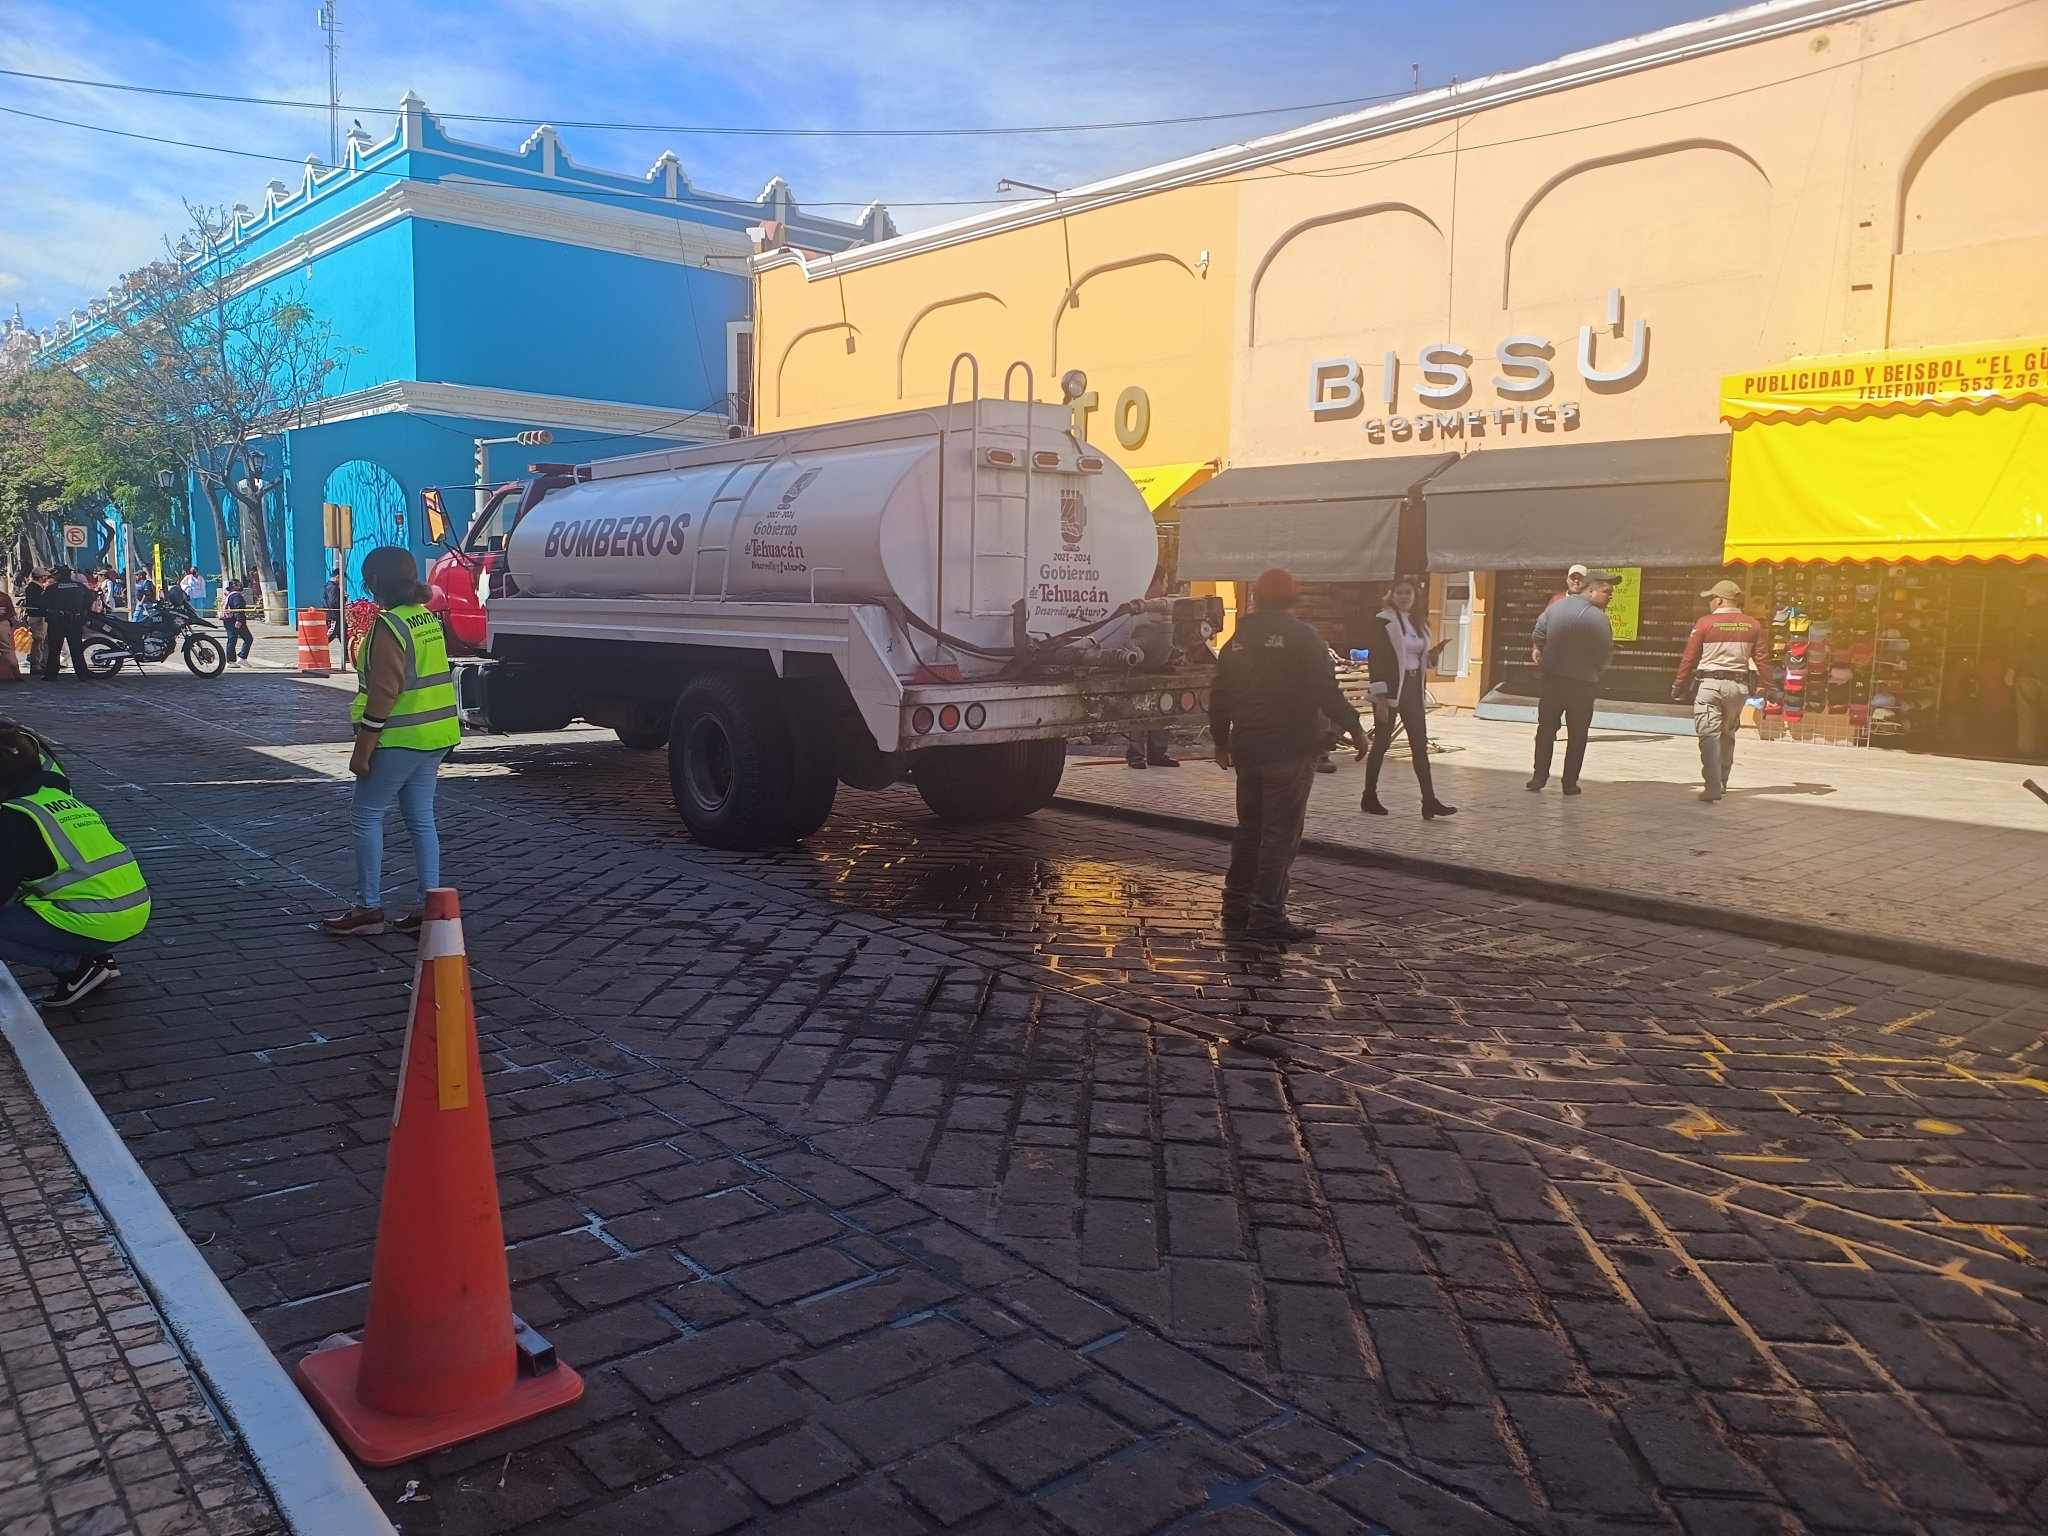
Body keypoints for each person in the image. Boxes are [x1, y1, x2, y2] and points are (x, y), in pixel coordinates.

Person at [1210, 567, 1364, 943]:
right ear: (1292, 598)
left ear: (1256, 599)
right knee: (1280, 835)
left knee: (1249, 830)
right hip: (1290, 749)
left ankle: (1236, 904)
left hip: (1248, 748)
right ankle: (1267, 914)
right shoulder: (1303, 637)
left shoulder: (1238, 640)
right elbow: (1325, 689)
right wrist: (1355, 726)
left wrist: (1220, 740)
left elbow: (1220, 693)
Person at [321, 547, 461, 938]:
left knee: (366, 815)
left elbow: (383, 693)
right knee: (421, 820)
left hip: (398, 736)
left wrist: (363, 749)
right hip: (434, 736)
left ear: (377, 583)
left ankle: (368, 908)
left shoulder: (389, 627)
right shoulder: (424, 619)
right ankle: (431, 905)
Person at [0, 725, 150, 1006]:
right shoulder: (57, 799)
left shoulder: (14, 819)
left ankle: (76, 968)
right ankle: (97, 956)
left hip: (98, 919)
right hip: (130, 911)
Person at [1360, 575, 1455, 820]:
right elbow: (1377, 660)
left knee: (1419, 745)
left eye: (1409, 593)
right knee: (1381, 743)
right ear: (1391, 595)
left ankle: (1429, 800)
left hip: (1412, 687)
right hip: (1390, 689)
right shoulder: (1383, 621)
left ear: (1415, 597)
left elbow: (1417, 658)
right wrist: (1380, 697)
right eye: (1400, 592)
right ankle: (1369, 796)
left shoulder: (1419, 623)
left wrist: (1432, 655)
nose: (1404, 597)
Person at [1673, 579, 1769, 803]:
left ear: (1719, 600)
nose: (1709, 603)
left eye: (1711, 599)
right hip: (1738, 688)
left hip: (1709, 686)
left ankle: (1712, 784)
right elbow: (1762, 660)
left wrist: (1679, 684)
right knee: (1727, 734)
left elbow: (1689, 657)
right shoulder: (1753, 625)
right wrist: (1771, 687)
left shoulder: (1705, 623)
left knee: (1708, 735)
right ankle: (1723, 781)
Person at [1528, 569, 1616, 796]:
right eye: (1606, 591)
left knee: (1546, 730)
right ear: (1591, 589)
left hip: (1552, 681)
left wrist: (1542, 651)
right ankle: (1569, 783)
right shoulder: (1599, 618)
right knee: (1577, 734)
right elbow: (1604, 653)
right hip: (1583, 684)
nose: (1610, 596)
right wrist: (1595, 671)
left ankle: (1539, 778)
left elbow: (1538, 633)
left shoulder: (1554, 608)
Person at [1114, 565, 1179, 769]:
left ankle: (1157, 753)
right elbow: (1128, 640)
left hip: (1160, 668)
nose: (1167, 586)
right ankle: (1136, 755)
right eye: (1165, 580)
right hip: (1140, 669)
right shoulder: (1139, 612)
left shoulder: (1166, 609)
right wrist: (1136, 654)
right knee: (1140, 712)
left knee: (1164, 708)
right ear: (1156, 581)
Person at [38, 565, 93, 682]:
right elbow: (90, 597)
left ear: (59, 575)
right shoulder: (80, 587)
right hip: (75, 621)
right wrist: (82, 611)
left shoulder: (52, 588)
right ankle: (82, 674)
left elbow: (42, 605)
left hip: (57, 622)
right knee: (76, 649)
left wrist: (49, 613)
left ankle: (51, 674)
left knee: (54, 650)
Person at [2010, 586, 2046, 759]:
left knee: (2026, 714)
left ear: (2042, 593)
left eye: (2029, 592)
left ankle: (2027, 751)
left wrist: (2012, 668)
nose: (2025, 596)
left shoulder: (2029, 615)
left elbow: (2020, 643)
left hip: (2029, 671)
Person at [221, 578, 254, 664]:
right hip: (235, 620)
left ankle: (233, 660)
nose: (240, 585)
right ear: (233, 586)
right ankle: (239, 659)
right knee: (247, 639)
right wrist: (239, 620)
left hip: (228, 620)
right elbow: (238, 608)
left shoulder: (229, 595)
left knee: (232, 639)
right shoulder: (236, 596)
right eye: (237, 584)